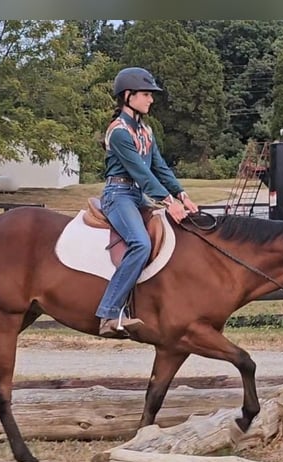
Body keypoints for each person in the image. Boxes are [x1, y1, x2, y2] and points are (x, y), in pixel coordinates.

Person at [96, 66, 199, 338]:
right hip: (118, 196)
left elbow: (159, 167)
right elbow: (140, 173)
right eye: (146, 94)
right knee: (140, 244)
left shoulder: (146, 131)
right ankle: (108, 313)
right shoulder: (119, 132)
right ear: (128, 95)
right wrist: (168, 201)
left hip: (137, 197)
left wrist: (182, 194)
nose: (151, 99)